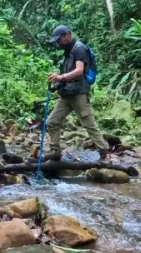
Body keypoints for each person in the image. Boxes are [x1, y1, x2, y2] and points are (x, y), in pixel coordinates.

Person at [42, 24, 109, 161]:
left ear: (67, 35)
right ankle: (55, 151)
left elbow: (79, 71)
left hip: (79, 94)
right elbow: (68, 74)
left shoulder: (79, 49)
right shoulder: (68, 51)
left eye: (59, 40)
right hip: (66, 95)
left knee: (88, 123)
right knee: (52, 122)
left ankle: (103, 151)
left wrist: (61, 77)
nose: (58, 43)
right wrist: (57, 81)